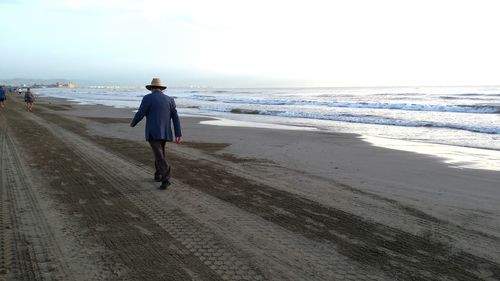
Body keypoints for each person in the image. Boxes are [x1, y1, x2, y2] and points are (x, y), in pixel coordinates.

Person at [130, 78, 182, 190]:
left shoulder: (147, 98)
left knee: (159, 155)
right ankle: (158, 174)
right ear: (161, 88)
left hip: (153, 132)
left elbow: (141, 113)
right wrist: (178, 133)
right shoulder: (170, 99)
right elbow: (175, 117)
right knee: (160, 153)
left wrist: (133, 123)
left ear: (151, 88)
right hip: (166, 132)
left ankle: (166, 178)